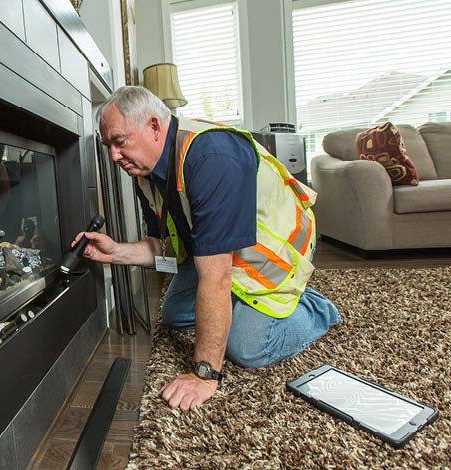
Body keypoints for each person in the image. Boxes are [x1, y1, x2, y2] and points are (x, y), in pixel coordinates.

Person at [74, 86, 340, 411]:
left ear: (154, 127)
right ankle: (244, 308)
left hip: (272, 253)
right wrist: (115, 252)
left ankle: (315, 308)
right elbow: (168, 249)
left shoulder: (210, 157)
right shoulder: (148, 174)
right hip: (219, 252)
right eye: (109, 146)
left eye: (120, 141)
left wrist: (204, 373)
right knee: (175, 316)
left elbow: (216, 276)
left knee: (248, 348)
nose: (114, 156)